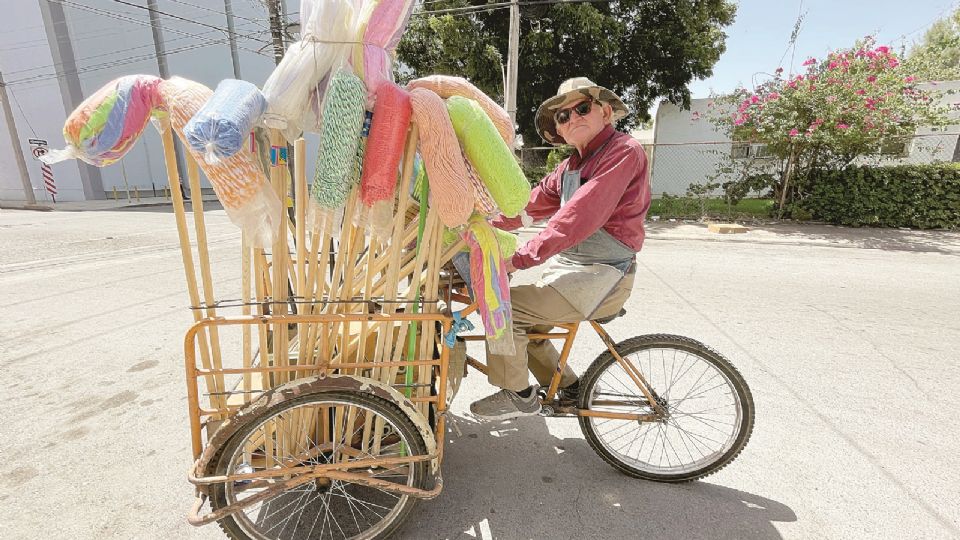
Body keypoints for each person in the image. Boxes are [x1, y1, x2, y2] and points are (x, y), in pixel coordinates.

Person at [469, 77, 652, 421]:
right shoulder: (570, 166)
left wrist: (519, 258)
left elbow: (575, 218)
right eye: (563, 117)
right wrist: (479, 224)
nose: (573, 119)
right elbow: (527, 206)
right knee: (531, 327)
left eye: (582, 108)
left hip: (602, 276)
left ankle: (517, 394)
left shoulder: (622, 151)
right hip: (574, 271)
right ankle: (570, 388)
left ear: (606, 112)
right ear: (559, 130)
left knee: (503, 307)